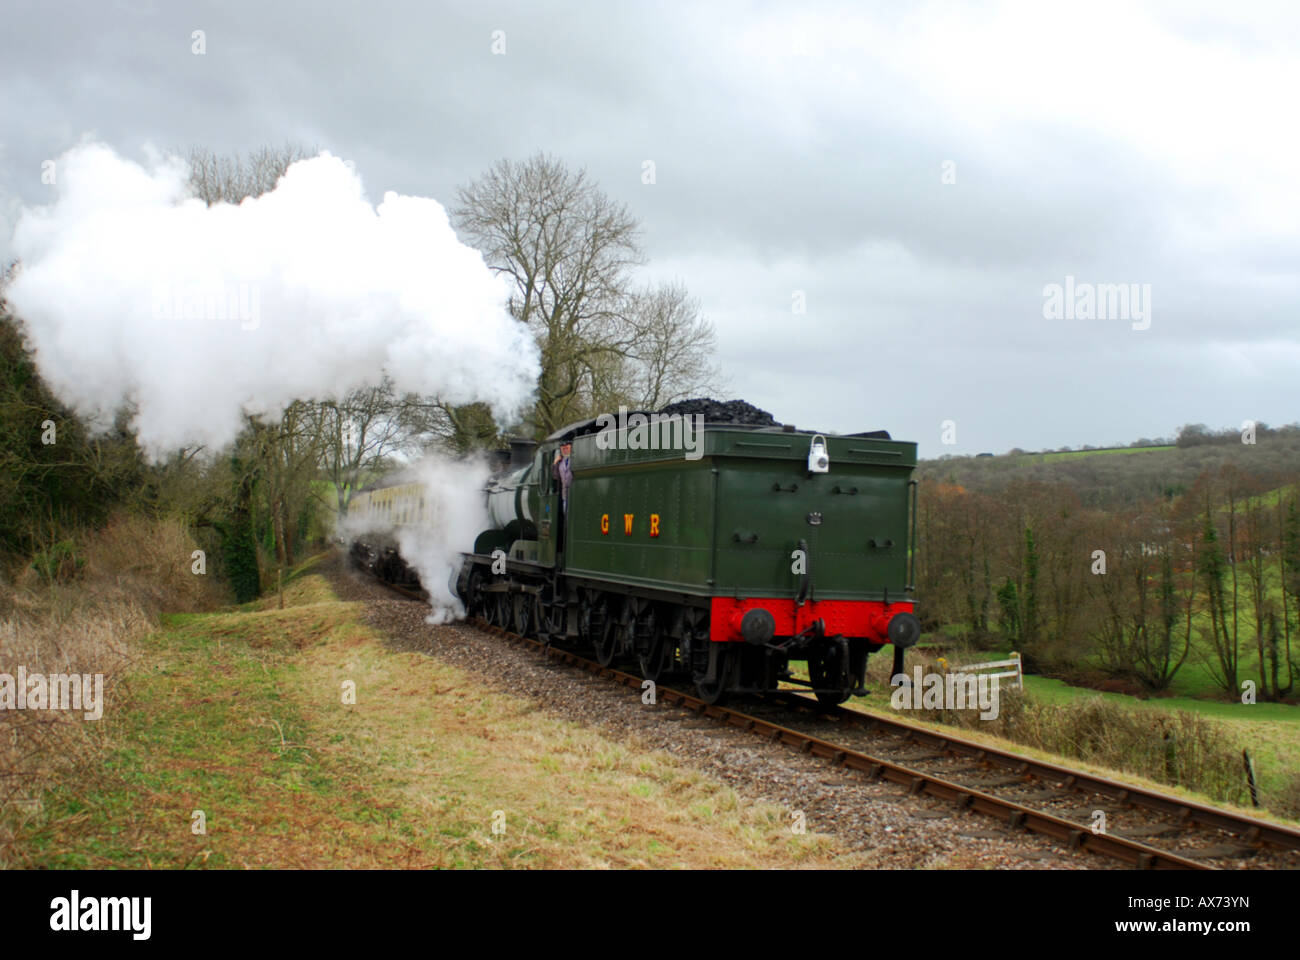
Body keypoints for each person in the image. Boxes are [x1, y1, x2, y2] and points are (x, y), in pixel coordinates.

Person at [552, 442, 573, 512]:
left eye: (567, 448)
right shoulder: (560, 462)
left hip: (573, 493)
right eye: (563, 449)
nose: (565, 450)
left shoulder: (574, 459)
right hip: (565, 494)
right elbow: (555, 476)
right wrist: (555, 463)